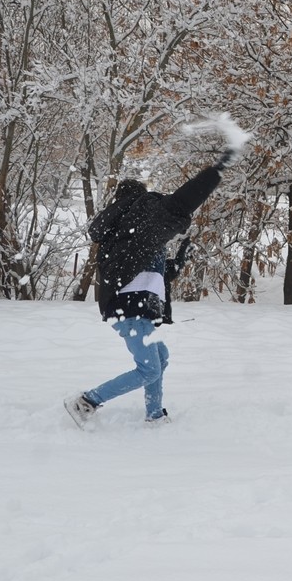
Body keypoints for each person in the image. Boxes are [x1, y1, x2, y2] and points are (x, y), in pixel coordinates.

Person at [64, 150, 237, 428]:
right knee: (148, 370)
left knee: (161, 359)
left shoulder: (129, 238)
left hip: (137, 308)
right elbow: (181, 202)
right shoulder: (136, 229)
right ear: (139, 202)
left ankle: (154, 414)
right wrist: (215, 171)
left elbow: (149, 274)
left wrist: (176, 262)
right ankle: (87, 401)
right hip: (130, 310)